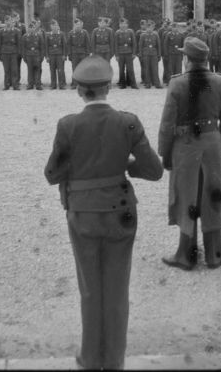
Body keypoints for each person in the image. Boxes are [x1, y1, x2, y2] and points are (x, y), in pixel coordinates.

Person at [44, 55, 163, 370]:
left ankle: (90, 357)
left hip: (82, 213)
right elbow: (154, 170)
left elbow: (52, 174)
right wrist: (124, 165)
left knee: (89, 288)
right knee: (117, 289)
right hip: (120, 212)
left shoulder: (68, 125)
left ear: (79, 90)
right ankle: (114, 361)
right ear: (109, 87)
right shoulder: (129, 121)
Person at [158, 37, 221, 271]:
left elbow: (167, 124)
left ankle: (186, 255)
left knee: (186, 195)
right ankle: (214, 254)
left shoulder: (177, 84)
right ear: (206, 58)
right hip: (212, 141)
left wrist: (165, 152)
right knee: (213, 192)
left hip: (186, 144)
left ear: (186, 59)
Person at [0, 16, 21, 90]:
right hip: (5, 52)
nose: (8, 23)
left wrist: (18, 53)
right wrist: (0, 54)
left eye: (9, 21)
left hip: (13, 52)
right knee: (6, 70)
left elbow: (18, 43)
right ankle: (6, 85)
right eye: (6, 21)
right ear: (5, 22)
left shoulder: (17, 31)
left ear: (11, 22)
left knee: (14, 69)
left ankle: (15, 85)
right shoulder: (1, 31)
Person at [114, 18, 138, 89]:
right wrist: (116, 55)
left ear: (127, 24)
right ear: (119, 25)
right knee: (121, 69)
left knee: (130, 69)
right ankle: (122, 84)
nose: (123, 25)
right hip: (121, 53)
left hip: (129, 53)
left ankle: (133, 84)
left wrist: (134, 53)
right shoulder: (117, 32)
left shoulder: (130, 32)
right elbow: (115, 45)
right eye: (121, 24)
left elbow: (134, 43)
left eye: (125, 23)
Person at [67, 18, 91, 89]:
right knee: (74, 68)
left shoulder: (85, 32)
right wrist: (69, 54)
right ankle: (74, 84)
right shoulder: (71, 33)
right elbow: (69, 45)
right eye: (76, 25)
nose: (78, 26)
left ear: (82, 25)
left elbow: (87, 44)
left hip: (83, 53)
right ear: (74, 25)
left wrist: (87, 54)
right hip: (74, 53)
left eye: (79, 24)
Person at [138, 20, 162, 89]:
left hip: (154, 54)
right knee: (146, 69)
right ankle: (148, 83)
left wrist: (159, 55)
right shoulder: (143, 35)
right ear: (146, 28)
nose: (149, 29)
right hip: (146, 54)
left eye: (151, 28)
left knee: (155, 69)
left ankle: (157, 83)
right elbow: (140, 46)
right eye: (148, 28)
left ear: (153, 28)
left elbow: (158, 46)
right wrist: (141, 55)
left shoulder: (156, 35)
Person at [22, 20, 45, 90]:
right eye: (30, 28)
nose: (32, 29)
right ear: (28, 29)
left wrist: (42, 56)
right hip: (29, 55)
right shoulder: (25, 36)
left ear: (35, 28)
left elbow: (42, 47)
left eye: (33, 27)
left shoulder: (39, 36)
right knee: (30, 70)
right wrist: (24, 57)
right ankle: (30, 84)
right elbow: (23, 48)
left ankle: (38, 84)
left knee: (37, 70)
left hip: (37, 55)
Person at [46, 19, 67, 89]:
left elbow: (64, 45)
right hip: (51, 55)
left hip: (59, 55)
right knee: (52, 70)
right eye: (53, 25)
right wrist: (47, 56)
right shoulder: (48, 35)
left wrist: (64, 55)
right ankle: (53, 85)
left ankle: (61, 85)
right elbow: (46, 46)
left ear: (58, 26)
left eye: (56, 25)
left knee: (60, 70)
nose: (55, 27)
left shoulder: (61, 34)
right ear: (51, 27)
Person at [158, 18, 171, 85]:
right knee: (166, 65)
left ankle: (167, 79)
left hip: (170, 51)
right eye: (165, 22)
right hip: (164, 51)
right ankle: (165, 79)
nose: (166, 24)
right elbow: (159, 42)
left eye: (168, 23)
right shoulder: (160, 30)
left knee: (169, 66)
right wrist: (160, 52)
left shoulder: (170, 30)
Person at [135, 20, 148, 85]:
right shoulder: (138, 32)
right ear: (140, 25)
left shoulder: (149, 31)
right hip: (141, 51)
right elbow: (136, 43)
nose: (143, 26)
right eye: (142, 25)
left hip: (147, 51)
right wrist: (137, 52)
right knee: (143, 66)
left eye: (145, 24)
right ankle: (143, 79)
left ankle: (148, 79)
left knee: (148, 65)